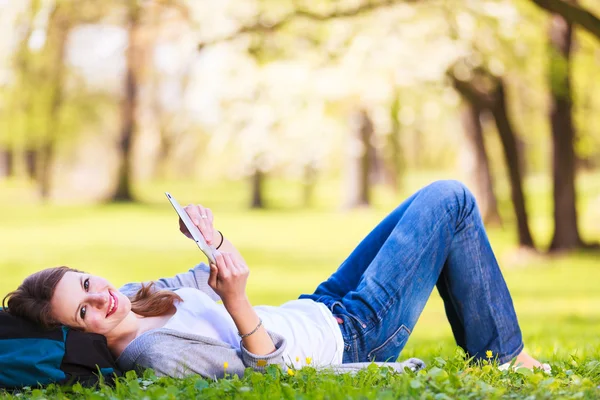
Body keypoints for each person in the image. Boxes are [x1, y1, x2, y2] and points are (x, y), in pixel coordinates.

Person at [3, 180, 546, 379]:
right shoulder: (154, 353)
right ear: (83, 333)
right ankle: (504, 356)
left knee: (423, 206)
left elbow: (202, 271)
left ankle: (496, 349)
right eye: (83, 311)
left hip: (319, 305)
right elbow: (264, 375)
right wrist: (238, 303)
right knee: (448, 200)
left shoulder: (126, 299)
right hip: (352, 334)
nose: (102, 297)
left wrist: (206, 237)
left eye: (86, 282)